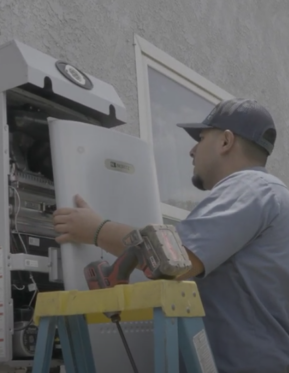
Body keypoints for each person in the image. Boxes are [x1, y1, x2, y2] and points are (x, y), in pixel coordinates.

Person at [52, 98, 289, 373]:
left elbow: (172, 258)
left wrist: (96, 229)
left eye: (200, 138)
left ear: (226, 142)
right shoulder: (274, 195)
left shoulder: (250, 189)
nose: (192, 150)